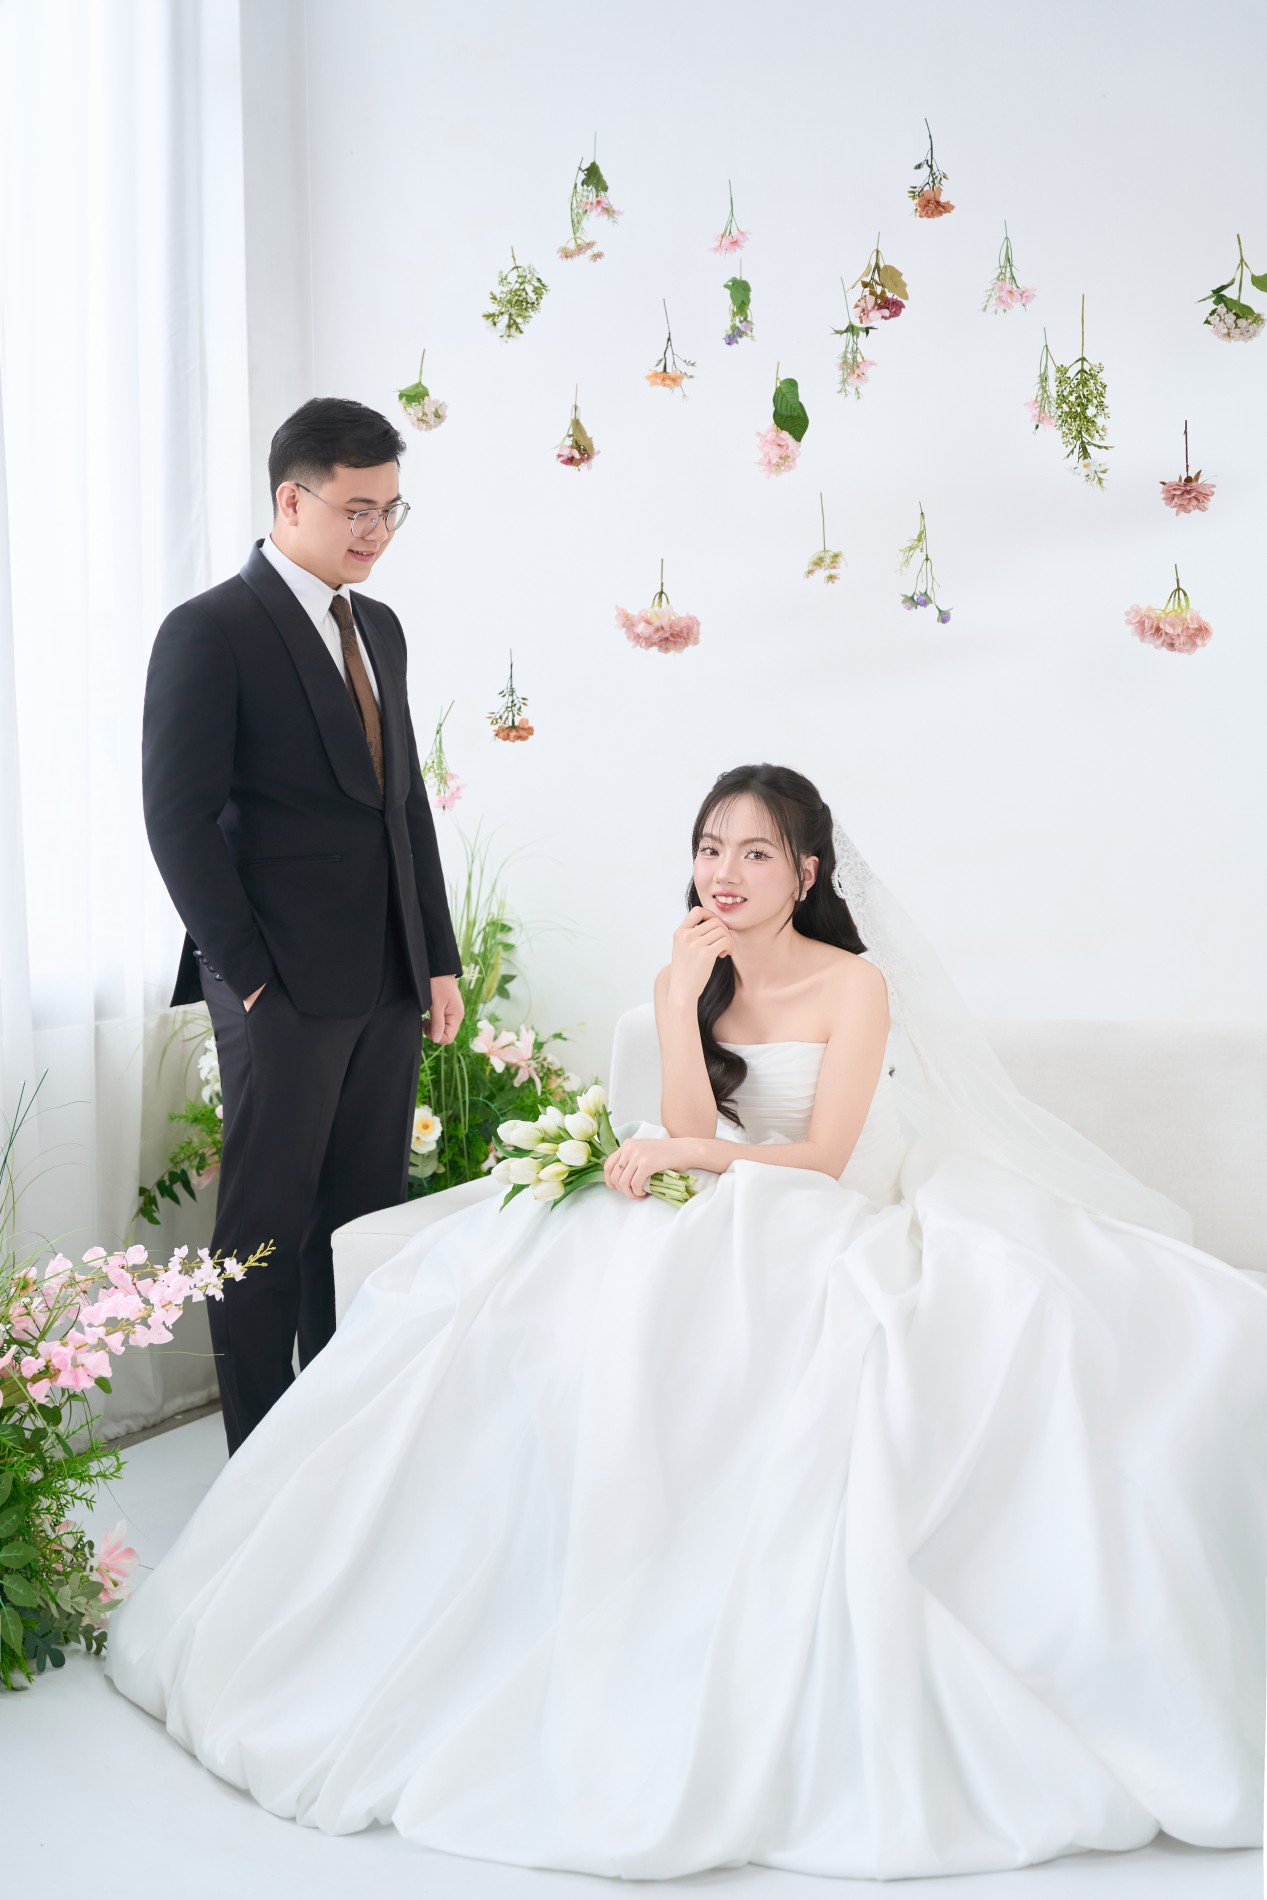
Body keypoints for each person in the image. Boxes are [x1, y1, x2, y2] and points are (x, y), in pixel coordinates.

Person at [106, 763, 1267, 1882]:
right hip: (723, 1197)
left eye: (755, 853)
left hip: (827, 1207)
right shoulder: (693, 972)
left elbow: (820, 1157)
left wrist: (687, 1151)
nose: (725, 872)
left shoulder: (852, 985)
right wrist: (675, 1003)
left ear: (805, 871)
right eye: (711, 848)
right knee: (548, 1280)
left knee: (739, 1283)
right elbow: (686, 1129)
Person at [141, 396, 464, 1456]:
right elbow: (177, 819)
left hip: (388, 976)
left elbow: (403, 804)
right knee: (264, 1232)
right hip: (277, 983)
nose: (377, 532)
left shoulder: (380, 627)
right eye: (357, 509)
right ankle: (257, 1466)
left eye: (391, 510)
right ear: (292, 500)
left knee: (361, 1220)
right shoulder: (210, 630)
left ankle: (335, 1453)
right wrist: (245, 977)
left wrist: (437, 959)